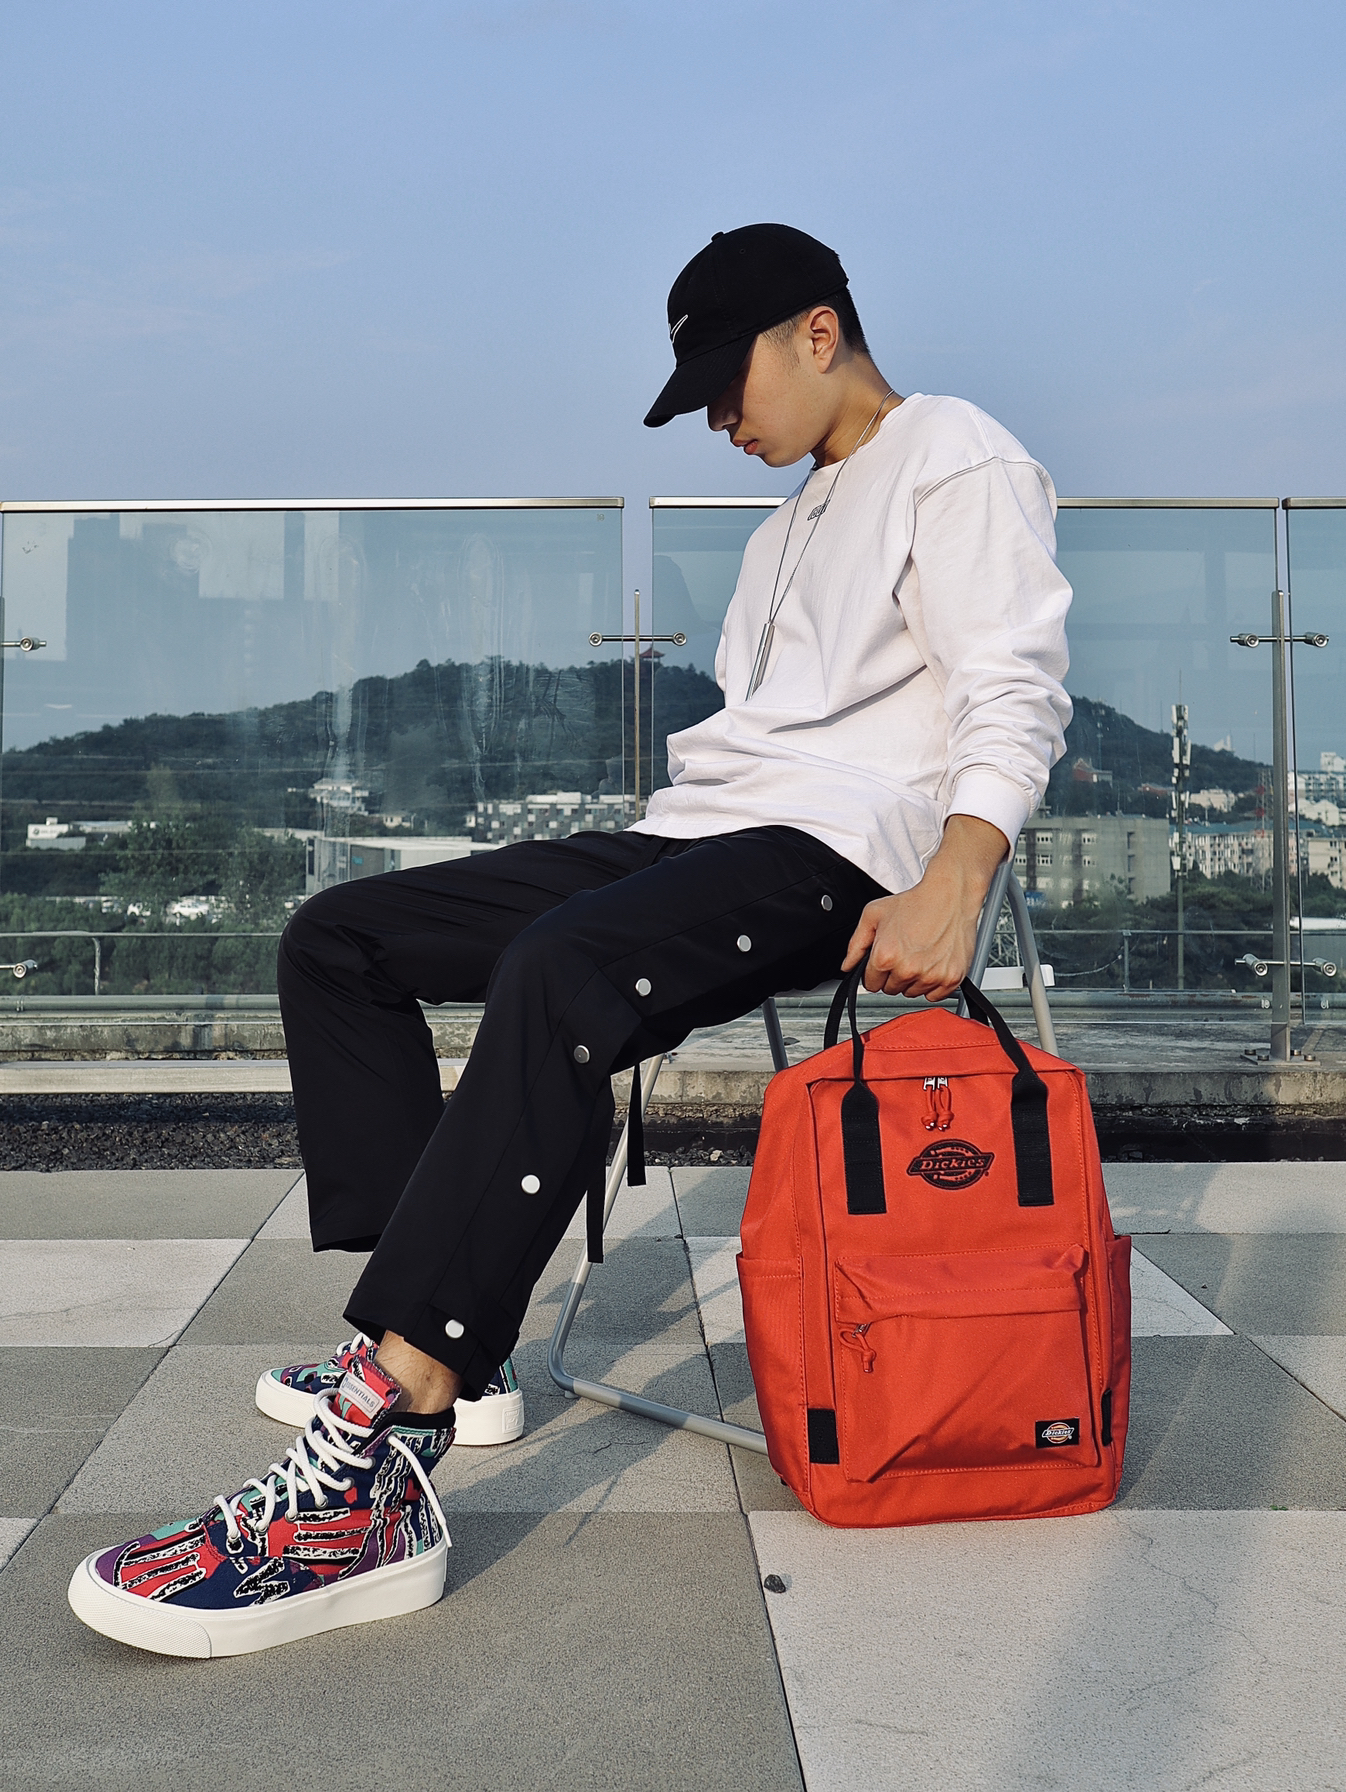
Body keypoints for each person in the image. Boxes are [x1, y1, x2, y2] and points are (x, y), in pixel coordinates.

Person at [68, 223, 1072, 1656]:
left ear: (818, 331)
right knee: (340, 939)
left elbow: (1013, 685)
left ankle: (382, 1454)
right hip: (696, 834)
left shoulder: (955, 454)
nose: (719, 422)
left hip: (840, 854)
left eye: (725, 385)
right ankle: (441, 1338)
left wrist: (958, 875)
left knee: (562, 970)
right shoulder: (786, 525)